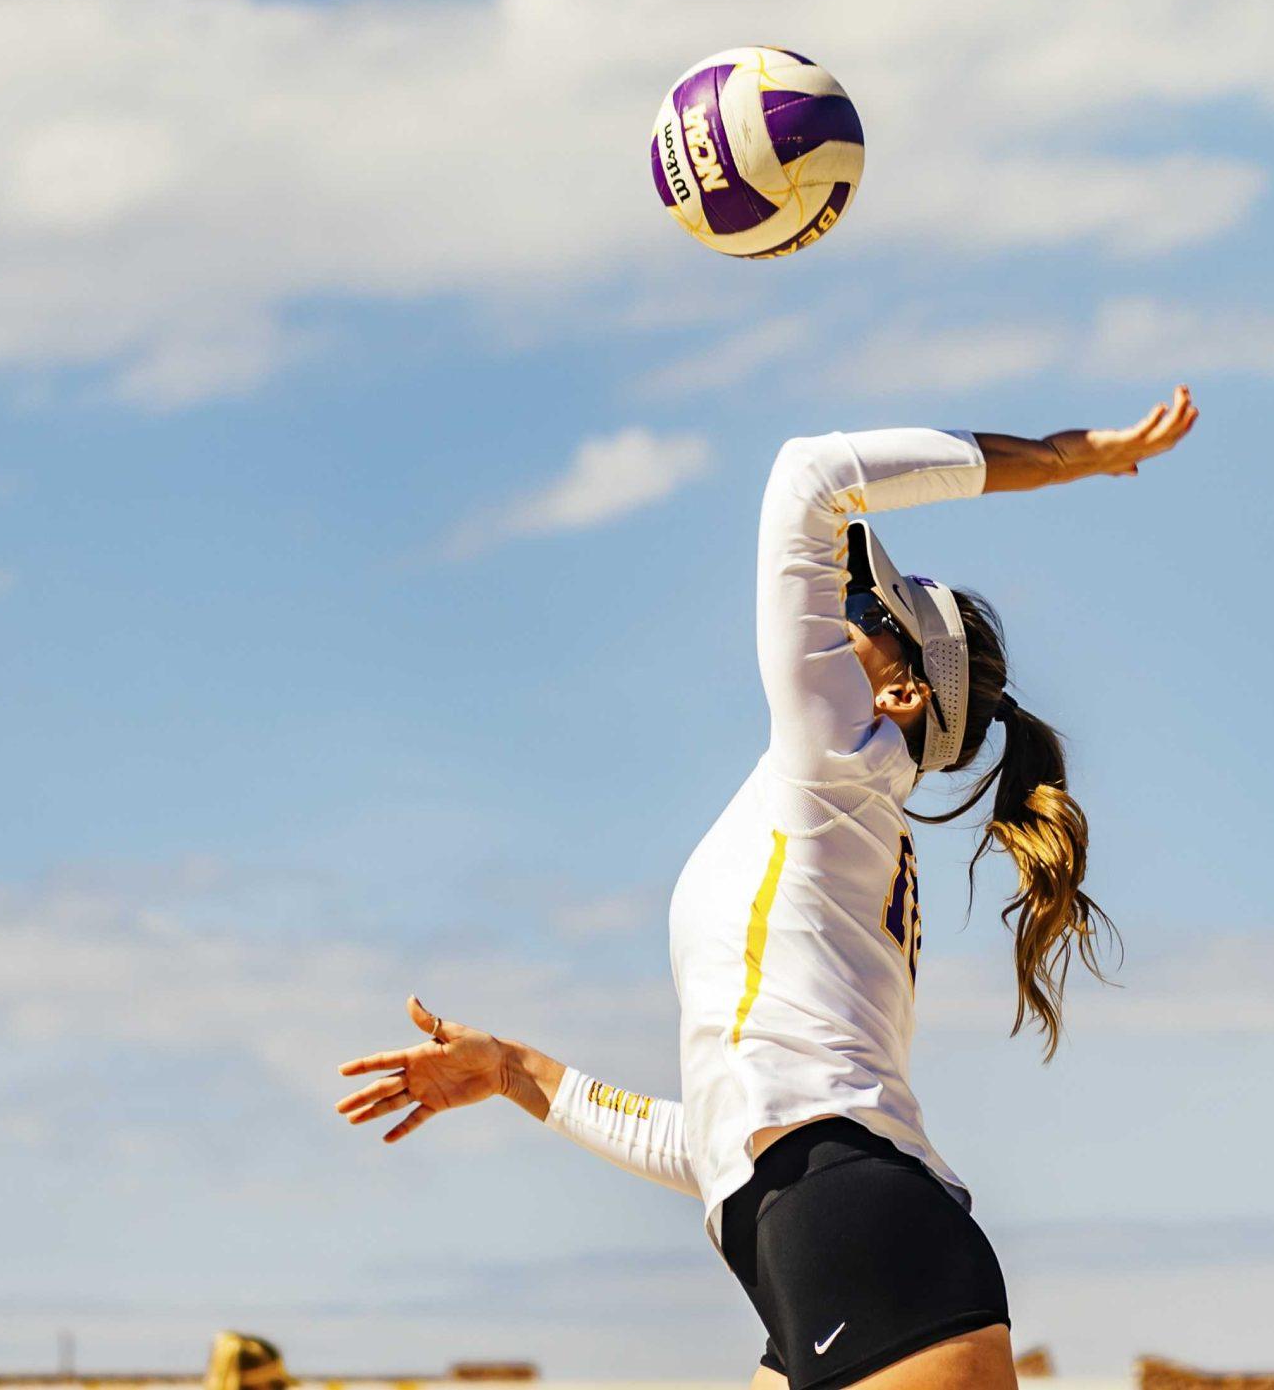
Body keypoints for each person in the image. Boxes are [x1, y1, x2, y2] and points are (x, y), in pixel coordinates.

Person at [335, 387, 1201, 1390]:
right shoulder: (826, 807)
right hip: (817, 1235)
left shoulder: (835, 754)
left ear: (902, 691)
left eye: (867, 614)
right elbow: (723, 1134)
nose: (837, 607)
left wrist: (1060, 456)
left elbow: (810, 476)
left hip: (859, 1234)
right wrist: (516, 1072)